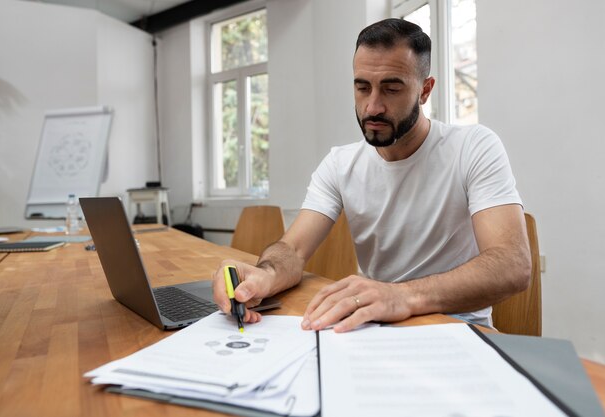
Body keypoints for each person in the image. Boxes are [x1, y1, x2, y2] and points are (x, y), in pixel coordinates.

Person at [212, 18, 530, 332]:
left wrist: (403, 296)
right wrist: (264, 273)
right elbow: (293, 251)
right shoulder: (340, 164)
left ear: (425, 90)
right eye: (362, 87)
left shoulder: (473, 147)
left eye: (391, 89)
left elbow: (512, 264)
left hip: (458, 326)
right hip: (375, 326)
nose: (372, 107)